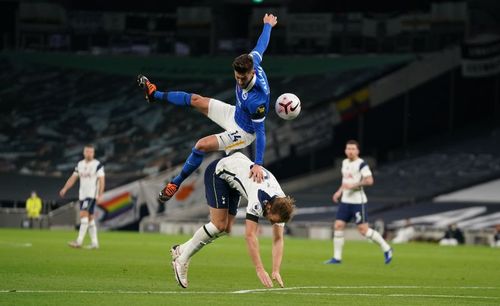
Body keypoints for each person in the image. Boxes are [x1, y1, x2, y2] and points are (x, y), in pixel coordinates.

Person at [137, 13, 278, 203]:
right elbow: (261, 45)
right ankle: (154, 94)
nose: (239, 80)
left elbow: (260, 132)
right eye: (236, 77)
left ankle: (175, 183)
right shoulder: (253, 60)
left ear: (252, 73)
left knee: (200, 145)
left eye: (242, 78)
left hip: (243, 131)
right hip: (234, 113)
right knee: (196, 99)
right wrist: (268, 25)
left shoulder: (257, 100)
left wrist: (258, 164)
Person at [169, 152, 295, 289]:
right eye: (271, 220)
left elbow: (278, 239)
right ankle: (181, 260)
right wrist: (259, 269)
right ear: (269, 206)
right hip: (219, 172)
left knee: (227, 228)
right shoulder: (258, 199)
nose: (271, 222)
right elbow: (250, 235)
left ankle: (181, 249)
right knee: (219, 225)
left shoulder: (281, 204)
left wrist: (276, 270)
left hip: (235, 177)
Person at [324, 140, 393, 264]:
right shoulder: (344, 162)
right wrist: (339, 192)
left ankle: (387, 248)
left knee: (363, 230)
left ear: (357, 151)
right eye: (348, 149)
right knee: (338, 226)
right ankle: (337, 258)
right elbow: (345, 181)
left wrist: (354, 185)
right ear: (345, 150)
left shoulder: (361, 164)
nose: (350, 151)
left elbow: (370, 180)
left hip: (358, 202)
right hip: (345, 201)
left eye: (353, 149)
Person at [59, 144, 105, 249]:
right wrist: (65, 188)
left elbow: (102, 180)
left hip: (91, 195)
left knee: (83, 215)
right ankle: (95, 243)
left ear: (93, 153)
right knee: (90, 218)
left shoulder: (97, 165)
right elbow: (73, 178)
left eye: (91, 152)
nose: (89, 154)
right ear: (84, 152)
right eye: (87, 151)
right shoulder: (79, 164)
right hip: (82, 195)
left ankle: (79, 241)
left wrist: (100, 194)